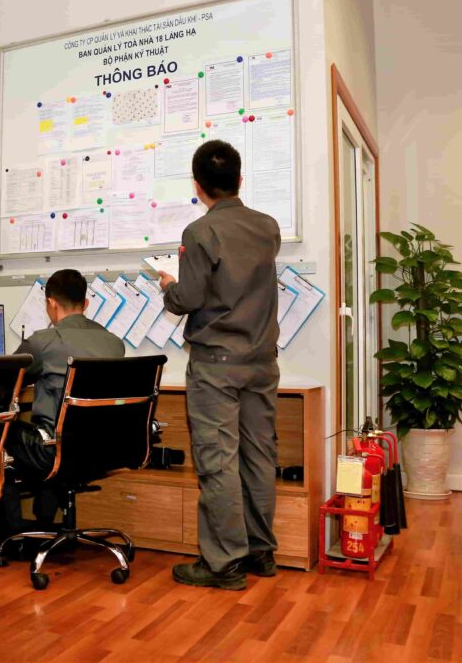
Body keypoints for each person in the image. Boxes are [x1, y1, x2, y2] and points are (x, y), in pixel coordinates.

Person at [158, 140, 281, 591]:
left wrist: (168, 286)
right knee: (259, 455)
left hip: (216, 364)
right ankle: (260, 551)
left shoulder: (199, 232)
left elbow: (188, 298)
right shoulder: (268, 227)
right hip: (262, 362)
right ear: (239, 180)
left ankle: (224, 563)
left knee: (218, 460)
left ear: (198, 186)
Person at [1, 269, 125, 530]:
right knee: (59, 437)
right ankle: (44, 517)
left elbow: (4, 381)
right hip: (104, 449)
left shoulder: (43, 342)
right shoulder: (114, 343)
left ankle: (11, 532)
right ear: (86, 303)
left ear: (51, 303)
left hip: (55, 450)